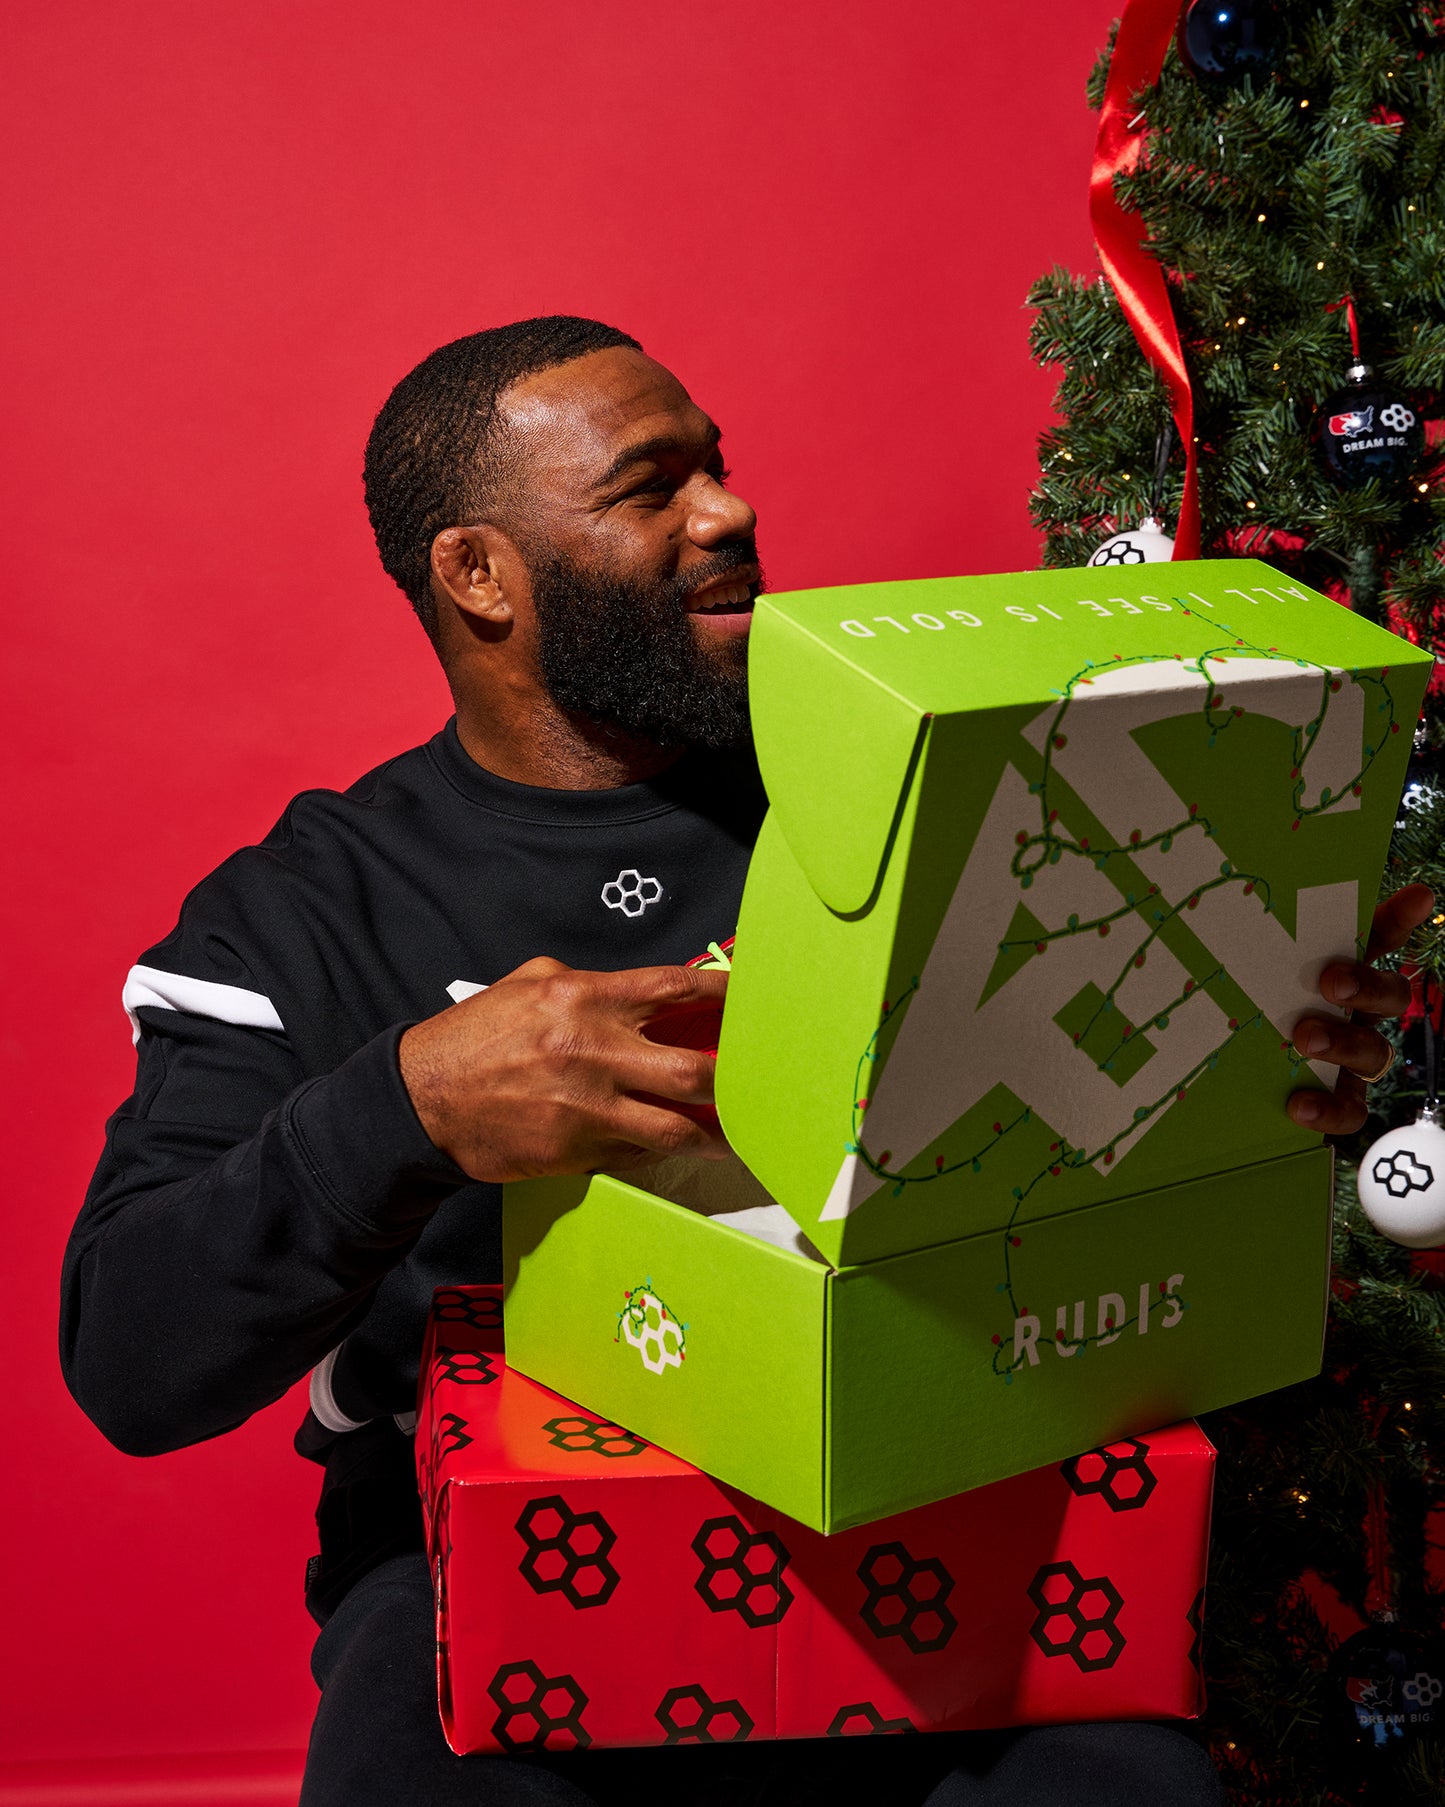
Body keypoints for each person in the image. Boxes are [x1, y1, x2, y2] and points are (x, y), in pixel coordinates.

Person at [61, 316, 1430, 1806]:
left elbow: (1102, 1161)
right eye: (652, 486)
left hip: (948, 1530)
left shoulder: (934, 798)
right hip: (498, 1584)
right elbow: (134, 1360)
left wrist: (1254, 1050)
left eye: (717, 465)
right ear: (478, 575)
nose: (730, 509)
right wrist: (410, 1106)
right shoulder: (299, 913)